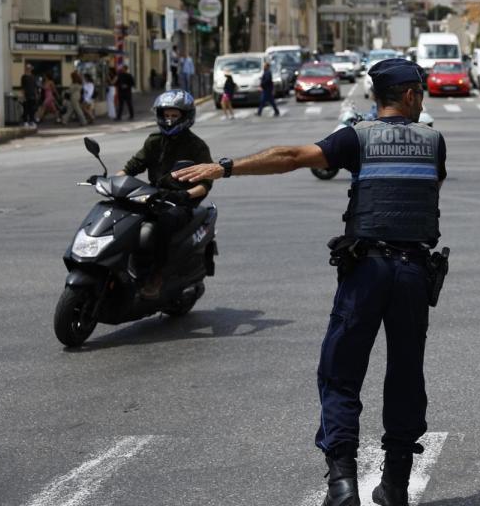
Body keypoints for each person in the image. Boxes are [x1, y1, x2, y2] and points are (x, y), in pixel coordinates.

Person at [173, 59, 446, 506]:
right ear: (412, 95)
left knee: (340, 374)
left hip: (367, 270)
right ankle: (395, 484)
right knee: (404, 374)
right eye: (421, 92)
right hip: (414, 272)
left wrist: (223, 167)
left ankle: (341, 485)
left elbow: (291, 157)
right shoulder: (435, 142)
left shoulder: (356, 138)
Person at [119, 90, 212, 298]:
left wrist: (186, 195)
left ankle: (156, 275)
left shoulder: (196, 146)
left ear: (185, 117)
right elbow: (133, 166)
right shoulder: (154, 141)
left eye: (174, 116)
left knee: (161, 225)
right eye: (166, 115)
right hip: (154, 196)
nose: (169, 120)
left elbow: (205, 184)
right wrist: (111, 182)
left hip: (180, 202)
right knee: (123, 217)